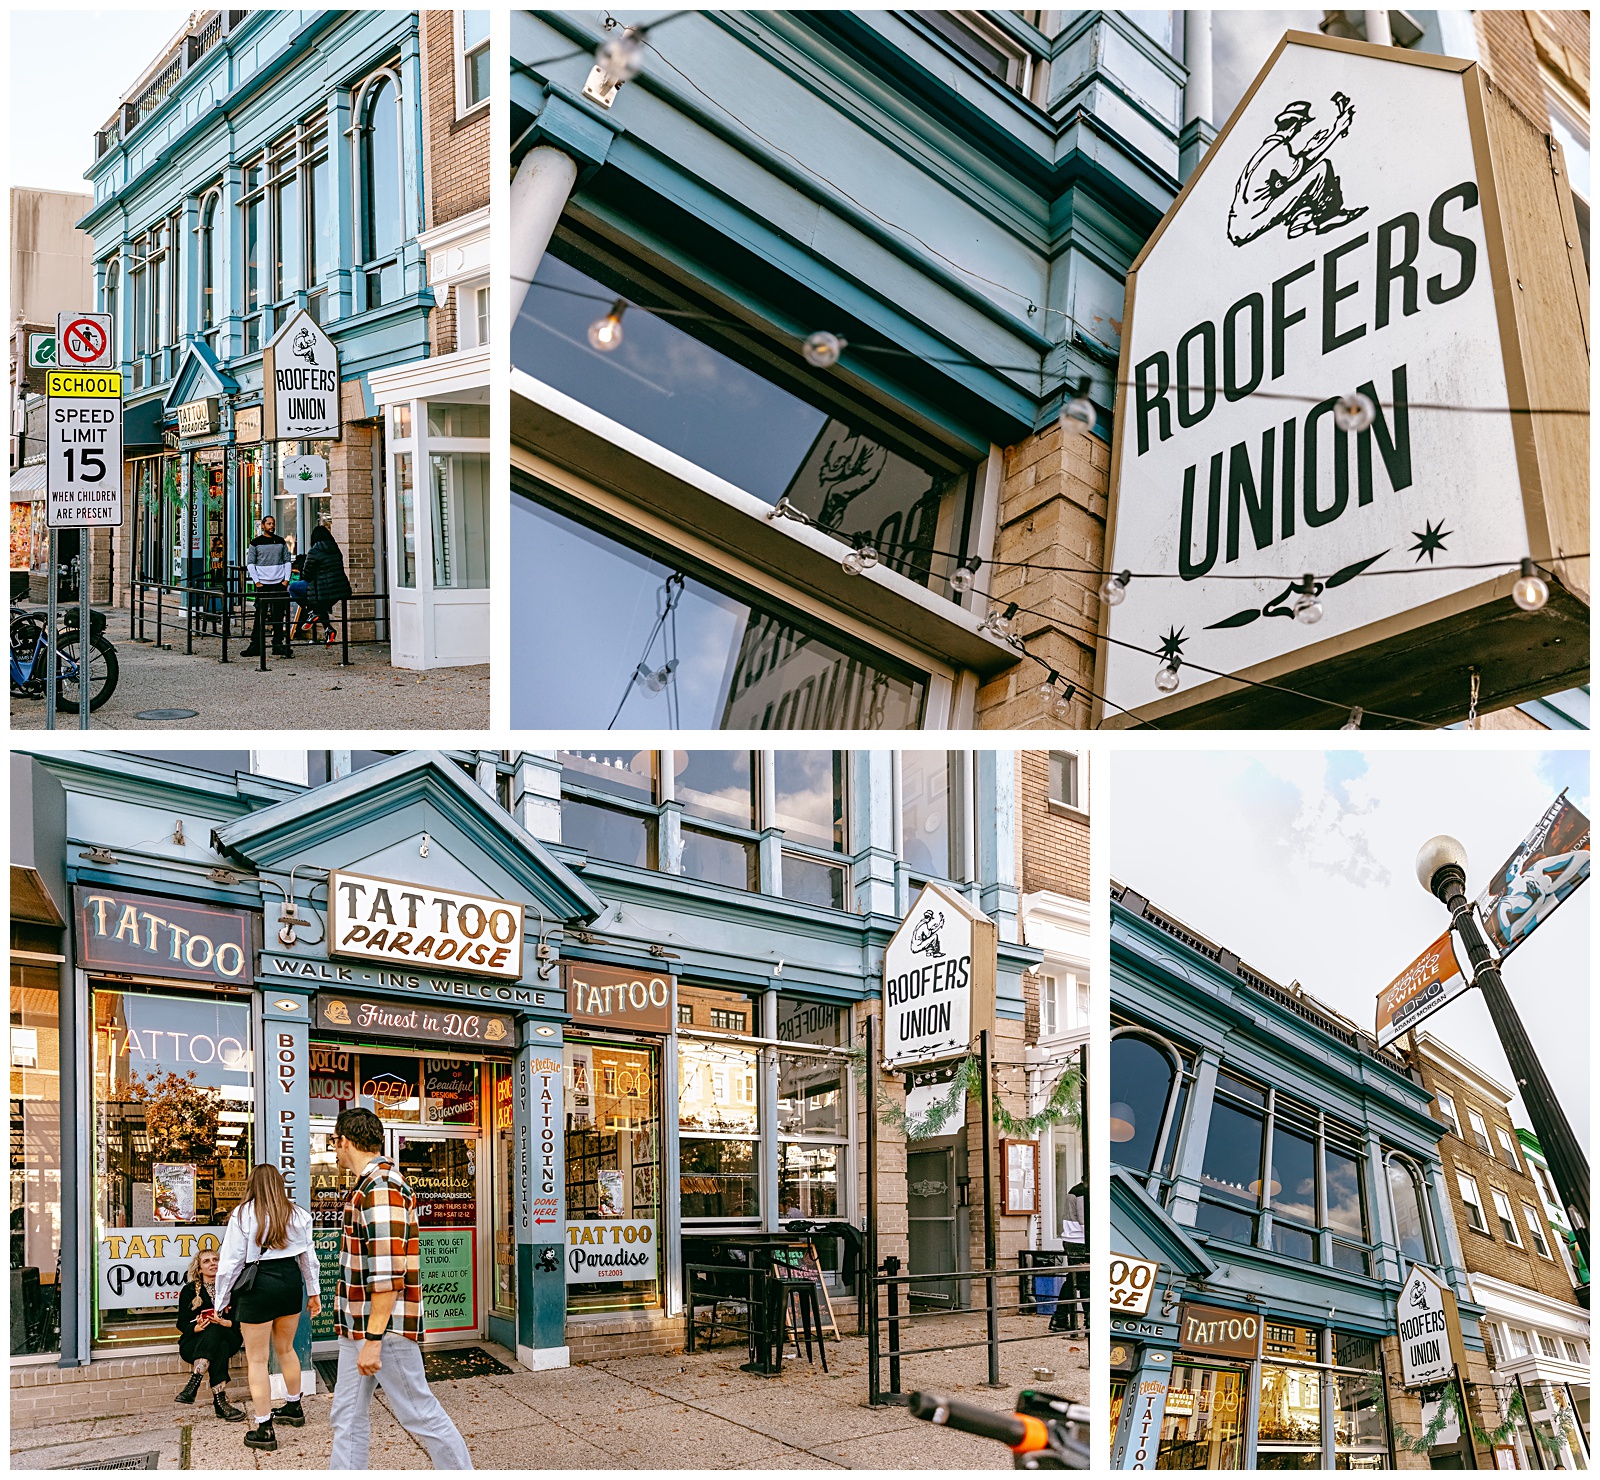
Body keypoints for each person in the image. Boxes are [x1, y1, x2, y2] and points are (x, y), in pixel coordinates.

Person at [329, 1107, 473, 1470]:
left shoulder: (381, 1187)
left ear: (346, 1140)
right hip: (361, 1326)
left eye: (334, 1141)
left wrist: (374, 1339)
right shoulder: (371, 1184)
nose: (334, 1150)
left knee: (418, 1412)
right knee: (346, 1416)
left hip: (382, 1328)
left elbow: (387, 1271)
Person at [214, 1165, 322, 1453]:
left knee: (258, 1360)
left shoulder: (243, 1214)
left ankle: (264, 1428)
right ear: (279, 1185)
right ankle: (293, 1407)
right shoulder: (298, 1214)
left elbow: (231, 1262)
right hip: (289, 1282)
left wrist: (220, 1301)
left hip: (257, 1286)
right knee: (286, 1350)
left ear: (252, 1184)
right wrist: (314, 1293)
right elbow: (308, 1257)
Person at [1227, 93, 1367, 245]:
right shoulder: (1279, 149)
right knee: (1321, 168)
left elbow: (1294, 169)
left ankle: (1301, 219)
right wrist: (1336, 131)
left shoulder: (1267, 149)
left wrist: (1310, 146)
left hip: (1238, 226)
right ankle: (1328, 215)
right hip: (1253, 222)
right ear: (1295, 125)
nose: (1300, 130)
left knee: (1303, 181)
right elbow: (1303, 167)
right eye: (1301, 125)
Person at [174, 1247, 246, 1421]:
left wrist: (222, 1322)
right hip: (196, 1341)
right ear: (199, 1269)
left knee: (215, 1328)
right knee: (218, 1345)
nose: (212, 1263)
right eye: (206, 1261)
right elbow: (181, 1323)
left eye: (216, 1260)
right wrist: (197, 1327)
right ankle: (221, 1403)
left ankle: (194, 1382)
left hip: (229, 1335)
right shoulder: (189, 1290)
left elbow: (240, 1321)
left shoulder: (232, 1288)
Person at [242, 515, 295, 659]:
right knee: (260, 615)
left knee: (278, 616)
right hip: (263, 584)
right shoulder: (255, 543)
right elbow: (251, 563)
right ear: (263, 525)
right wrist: (257, 581)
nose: (272, 526)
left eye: (273, 523)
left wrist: (286, 580)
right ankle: (256, 646)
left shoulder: (280, 542)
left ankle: (278, 644)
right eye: (269, 523)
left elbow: (287, 561)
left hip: (279, 583)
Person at [298, 524, 352, 646]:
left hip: (324, 590)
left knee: (294, 589)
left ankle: (311, 612)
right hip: (340, 589)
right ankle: (327, 628)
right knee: (320, 606)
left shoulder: (314, 551)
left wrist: (302, 564)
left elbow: (306, 575)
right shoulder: (335, 549)